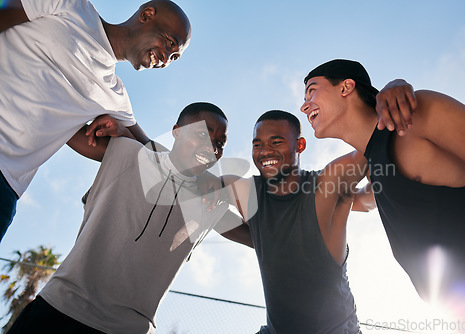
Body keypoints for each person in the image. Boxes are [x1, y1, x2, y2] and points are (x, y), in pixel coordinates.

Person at [7, 103, 251, 334]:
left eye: (220, 143)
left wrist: (233, 185)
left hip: (128, 328)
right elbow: (61, 123)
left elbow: (264, 236)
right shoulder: (127, 151)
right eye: (203, 135)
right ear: (176, 132)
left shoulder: (208, 202)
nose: (213, 148)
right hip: (59, 308)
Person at [301, 59, 465, 318]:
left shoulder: (418, 116)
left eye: (312, 90)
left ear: (346, 87)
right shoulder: (375, 168)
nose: (304, 106)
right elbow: (358, 201)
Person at [0, 0, 191, 241]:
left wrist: (121, 130)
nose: (165, 60)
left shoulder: (115, 96)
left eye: (173, 58)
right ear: (147, 15)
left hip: (5, 186)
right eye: (170, 43)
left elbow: (154, 157)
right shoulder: (69, 5)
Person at [221, 110, 367, 333]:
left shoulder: (326, 185)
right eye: (257, 144)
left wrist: (390, 94)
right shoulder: (247, 191)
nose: (265, 151)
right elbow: (196, 194)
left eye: (276, 142)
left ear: (300, 145)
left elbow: (370, 150)